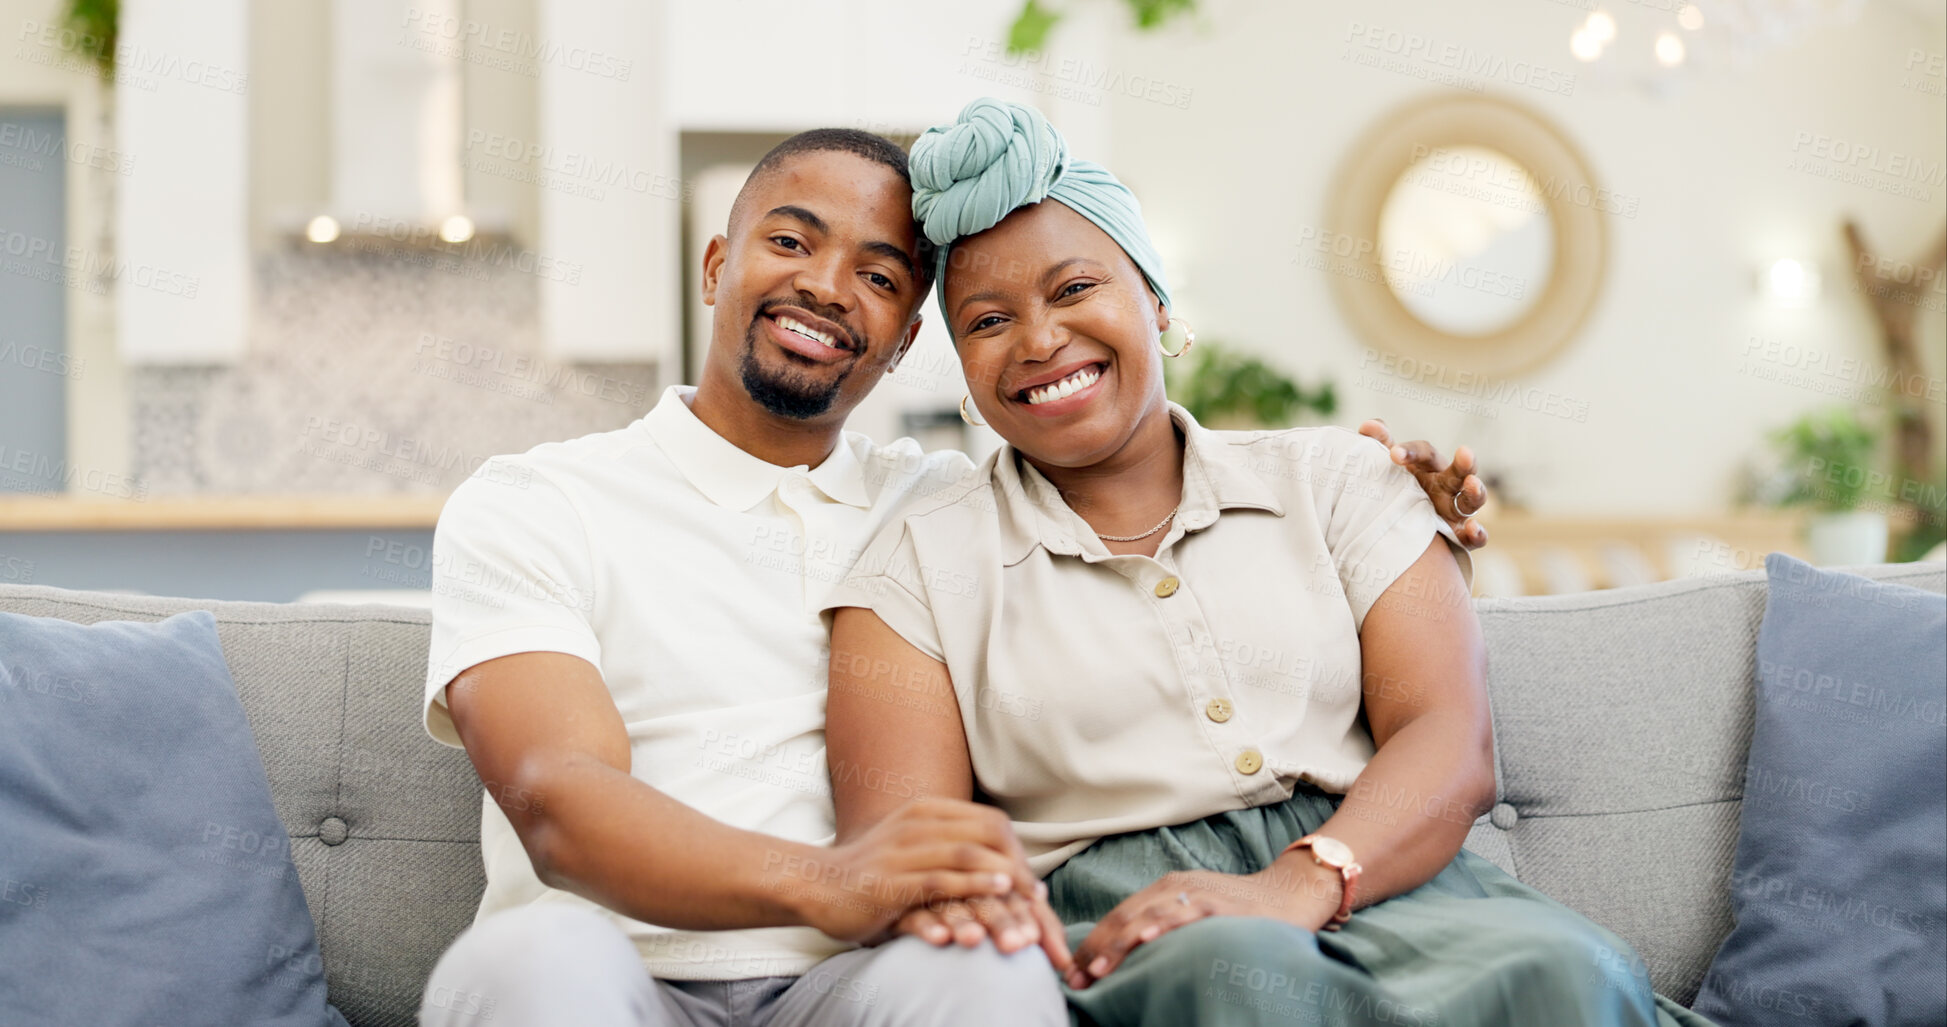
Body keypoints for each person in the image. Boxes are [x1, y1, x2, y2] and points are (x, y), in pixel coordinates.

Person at [416, 126, 1487, 1026]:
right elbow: (559, 801)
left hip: (860, 979)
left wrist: (1390, 500)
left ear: (904, 342)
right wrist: (831, 882)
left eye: (880, 276)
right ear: (714, 266)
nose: (827, 287)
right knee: (530, 962)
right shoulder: (536, 501)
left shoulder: (943, 508)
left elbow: (1146, 517)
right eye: (790, 240)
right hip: (613, 968)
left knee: (990, 971)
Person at [822, 99, 1715, 1027]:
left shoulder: (1338, 479)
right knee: (1235, 969)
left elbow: (1448, 738)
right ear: (961, 363)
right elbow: (902, 850)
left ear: (1157, 302)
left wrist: (1298, 882)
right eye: (988, 319)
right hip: (1129, 932)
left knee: (1569, 966)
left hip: (1386, 881)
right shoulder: (919, 559)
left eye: (1075, 289)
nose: (1039, 340)